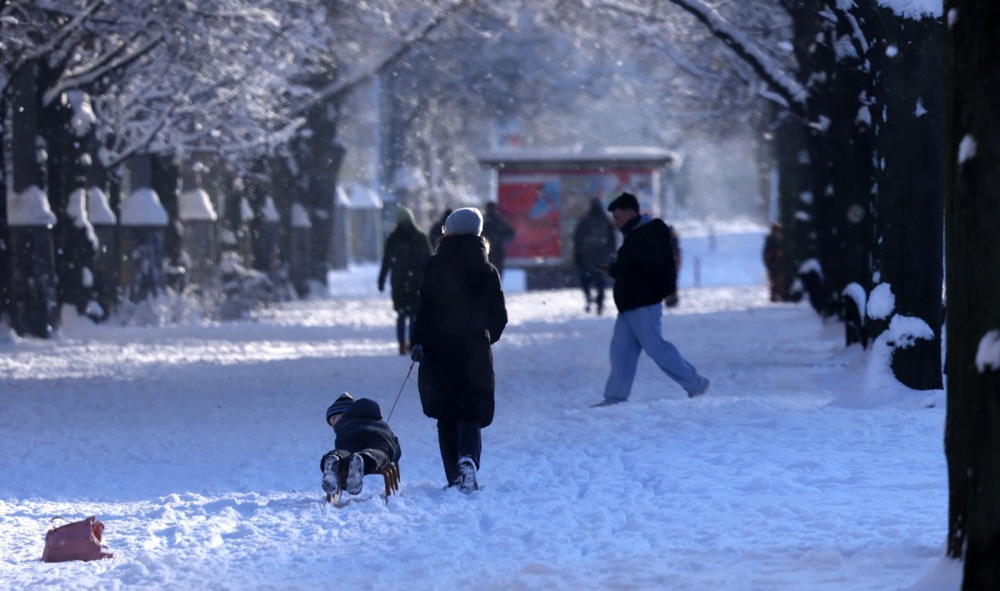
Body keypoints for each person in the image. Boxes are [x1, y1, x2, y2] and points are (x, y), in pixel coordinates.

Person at [409, 207, 508, 493]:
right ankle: (469, 460)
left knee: (446, 414)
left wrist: (419, 341)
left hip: (439, 348)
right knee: (470, 412)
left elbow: (424, 309)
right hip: (473, 348)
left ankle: (454, 475)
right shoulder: (487, 270)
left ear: (450, 231)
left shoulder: (435, 265)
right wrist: (484, 336)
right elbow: (499, 317)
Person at [592, 192, 709, 406]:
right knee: (620, 352)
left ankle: (695, 383)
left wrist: (633, 279)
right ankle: (615, 397)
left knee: (656, 348)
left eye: (617, 217)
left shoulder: (648, 234)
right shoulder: (636, 234)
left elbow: (651, 269)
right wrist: (614, 270)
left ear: (629, 214)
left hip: (643, 303)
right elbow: (635, 268)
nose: (615, 223)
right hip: (630, 304)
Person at [320, 392, 402, 498]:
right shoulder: (380, 422)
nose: (334, 424)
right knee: (378, 452)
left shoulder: (345, 425)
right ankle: (364, 459)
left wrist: (343, 482)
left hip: (351, 435)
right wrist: (394, 453)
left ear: (347, 412)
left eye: (334, 418)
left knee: (345, 451)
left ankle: (334, 458)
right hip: (380, 437)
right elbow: (396, 446)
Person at [378, 207, 433, 354]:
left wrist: (381, 280)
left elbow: (386, 261)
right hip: (417, 280)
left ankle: (402, 344)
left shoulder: (393, 238)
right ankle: (413, 343)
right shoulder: (420, 237)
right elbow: (430, 259)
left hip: (399, 280)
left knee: (401, 313)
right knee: (414, 313)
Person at [572, 197, 617, 315]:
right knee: (601, 281)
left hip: (587, 257)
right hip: (602, 257)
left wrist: (578, 255)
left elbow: (577, 239)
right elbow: (612, 240)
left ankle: (588, 298)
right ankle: (600, 304)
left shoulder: (584, 220)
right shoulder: (606, 221)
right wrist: (611, 255)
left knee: (585, 279)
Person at [481, 202, 515, 276]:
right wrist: (501, 239)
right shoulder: (499, 221)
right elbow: (510, 232)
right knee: (497, 271)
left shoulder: (482, 221)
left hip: (486, 250)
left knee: (486, 271)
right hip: (497, 250)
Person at [763, 222, 783, 302]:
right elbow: (766, 253)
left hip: (778, 263)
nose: (776, 232)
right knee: (774, 280)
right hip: (773, 264)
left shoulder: (780, 240)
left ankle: (777, 296)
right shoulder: (770, 241)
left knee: (777, 280)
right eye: (775, 230)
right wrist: (768, 263)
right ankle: (774, 296)